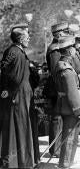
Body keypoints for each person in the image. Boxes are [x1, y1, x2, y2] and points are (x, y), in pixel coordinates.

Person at [0, 23, 35, 168]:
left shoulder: (20, 51)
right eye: (27, 37)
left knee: (22, 127)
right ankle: (13, 163)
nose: (29, 39)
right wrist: (6, 89)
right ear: (20, 39)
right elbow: (4, 70)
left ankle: (24, 162)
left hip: (22, 95)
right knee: (16, 128)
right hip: (16, 96)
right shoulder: (13, 51)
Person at [53, 33, 80, 168]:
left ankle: (66, 161)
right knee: (70, 136)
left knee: (68, 135)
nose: (75, 49)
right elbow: (72, 92)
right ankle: (66, 164)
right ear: (68, 50)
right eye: (73, 46)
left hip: (64, 104)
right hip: (70, 106)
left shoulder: (60, 64)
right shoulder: (66, 69)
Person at [45, 22, 69, 157]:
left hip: (60, 87)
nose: (67, 34)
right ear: (59, 34)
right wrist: (61, 89)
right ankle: (55, 149)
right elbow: (56, 71)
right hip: (56, 88)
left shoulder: (59, 47)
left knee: (60, 117)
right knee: (57, 118)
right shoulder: (54, 49)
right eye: (65, 32)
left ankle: (58, 146)